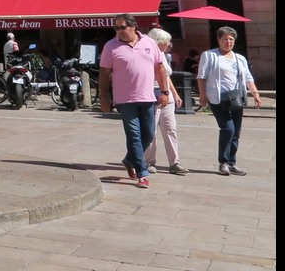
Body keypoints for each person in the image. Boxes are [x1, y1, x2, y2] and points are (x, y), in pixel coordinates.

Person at [99, 13, 171, 188]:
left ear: (133, 27)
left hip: (147, 97)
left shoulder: (149, 43)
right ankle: (142, 173)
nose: (119, 31)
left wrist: (165, 91)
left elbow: (160, 67)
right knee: (134, 135)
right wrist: (104, 98)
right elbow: (104, 74)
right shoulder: (111, 47)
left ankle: (129, 159)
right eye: (116, 28)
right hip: (125, 99)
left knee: (148, 134)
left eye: (122, 27)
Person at [196, 26, 262, 176]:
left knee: (236, 132)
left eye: (231, 39)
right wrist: (202, 96)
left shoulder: (240, 58)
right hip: (217, 98)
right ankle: (223, 162)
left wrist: (256, 94)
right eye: (225, 39)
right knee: (228, 129)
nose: (228, 42)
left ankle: (232, 162)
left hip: (235, 98)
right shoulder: (209, 55)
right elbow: (201, 76)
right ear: (218, 40)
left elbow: (248, 78)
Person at [142, 28, 188, 175]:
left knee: (171, 129)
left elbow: (166, 76)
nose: (169, 44)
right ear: (158, 42)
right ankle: (149, 161)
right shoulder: (147, 55)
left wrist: (175, 94)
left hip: (167, 96)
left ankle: (174, 162)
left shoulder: (162, 55)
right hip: (154, 96)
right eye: (166, 41)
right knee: (152, 131)